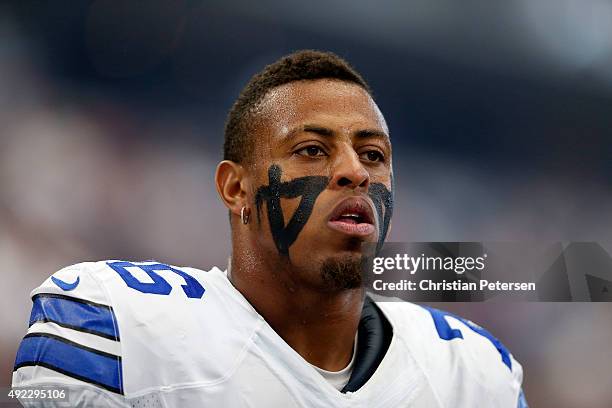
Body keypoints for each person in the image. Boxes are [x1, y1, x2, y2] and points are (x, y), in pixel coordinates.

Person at [12, 50, 527, 407]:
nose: (356, 172)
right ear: (236, 189)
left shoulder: (471, 372)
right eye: (311, 150)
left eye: (373, 154)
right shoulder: (111, 327)